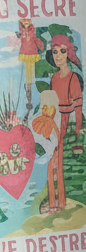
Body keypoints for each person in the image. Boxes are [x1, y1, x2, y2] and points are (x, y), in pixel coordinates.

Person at [42, 34, 83, 214]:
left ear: (69, 53)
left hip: (66, 125)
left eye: (62, 51)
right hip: (54, 123)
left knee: (58, 165)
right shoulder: (54, 78)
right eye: (55, 52)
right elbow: (51, 103)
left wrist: (77, 132)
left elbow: (78, 109)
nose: (58, 56)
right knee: (51, 164)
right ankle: (53, 202)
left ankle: (61, 203)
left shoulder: (73, 78)